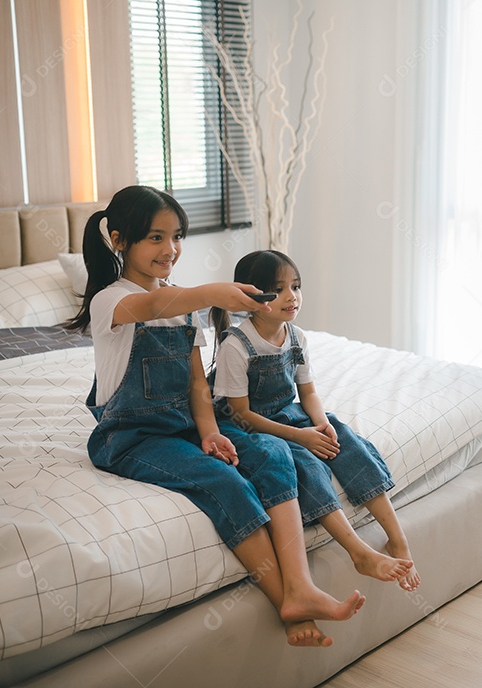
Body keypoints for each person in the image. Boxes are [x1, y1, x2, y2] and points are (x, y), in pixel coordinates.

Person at [63, 185, 365, 647]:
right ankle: (284, 596)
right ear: (120, 241)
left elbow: (196, 384)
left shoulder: (185, 306)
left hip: (184, 426)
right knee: (225, 483)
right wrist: (214, 293)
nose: (171, 250)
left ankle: (302, 585)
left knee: (271, 450)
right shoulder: (112, 300)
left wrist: (209, 432)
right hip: (131, 438)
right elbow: (153, 305)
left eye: (177, 236)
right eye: (156, 238)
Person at [210, 250, 420, 592]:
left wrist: (321, 424)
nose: (291, 297)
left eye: (296, 286)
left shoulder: (296, 336)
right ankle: (358, 552)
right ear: (251, 297)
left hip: (284, 412)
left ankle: (397, 538)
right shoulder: (237, 345)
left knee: (343, 438)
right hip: (247, 424)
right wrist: (301, 437)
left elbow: (307, 394)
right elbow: (241, 413)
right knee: (304, 462)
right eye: (278, 290)